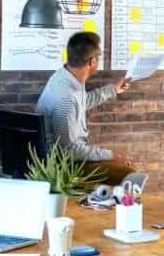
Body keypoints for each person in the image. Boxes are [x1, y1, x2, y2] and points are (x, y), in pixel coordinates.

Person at [36, 31, 135, 185]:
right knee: (128, 173)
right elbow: (69, 152)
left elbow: (82, 102)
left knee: (121, 165)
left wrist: (113, 89)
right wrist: (112, 155)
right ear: (92, 62)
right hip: (63, 167)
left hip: (69, 157)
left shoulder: (64, 77)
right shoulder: (66, 98)